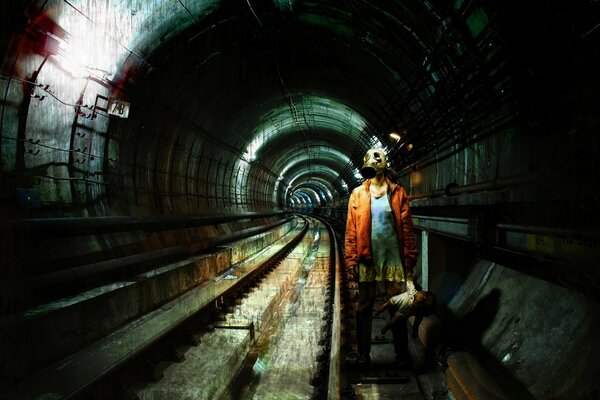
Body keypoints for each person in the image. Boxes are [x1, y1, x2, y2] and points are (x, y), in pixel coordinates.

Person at [345, 147, 419, 367]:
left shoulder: (397, 193)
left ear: (385, 163)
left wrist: (409, 260)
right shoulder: (357, 194)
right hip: (367, 259)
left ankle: (402, 355)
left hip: (393, 258)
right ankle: (363, 355)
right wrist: (351, 259)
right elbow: (351, 230)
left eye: (377, 157)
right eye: (369, 158)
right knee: (364, 306)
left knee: (398, 306)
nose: (373, 161)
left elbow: (407, 229)